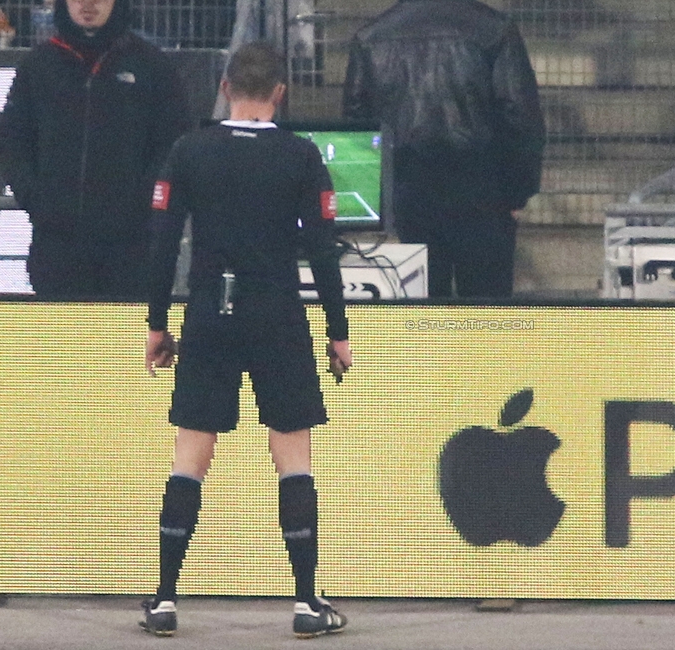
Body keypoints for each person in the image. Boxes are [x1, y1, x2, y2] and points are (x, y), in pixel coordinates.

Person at [139, 42, 352, 638]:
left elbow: (162, 244)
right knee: (294, 459)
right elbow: (324, 253)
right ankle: (307, 604)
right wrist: (337, 331)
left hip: (210, 313)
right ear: (279, 92)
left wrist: (158, 322)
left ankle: (164, 600)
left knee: (191, 458)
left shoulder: (190, 150)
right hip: (279, 316)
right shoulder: (301, 155)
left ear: (227, 86)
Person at [342, 0, 546, 299]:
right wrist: (518, 191)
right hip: (484, 192)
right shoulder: (494, 30)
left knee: (422, 308)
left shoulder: (372, 36)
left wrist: (380, 197)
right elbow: (520, 117)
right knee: (486, 312)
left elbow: (357, 122)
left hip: (409, 191)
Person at [0, 0, 191, 298]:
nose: (88, 4)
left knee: (122, 344)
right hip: (57, 247)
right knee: (61, 342)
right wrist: (36, 200)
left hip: (130, 249)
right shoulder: (39, 65)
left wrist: (141, 204)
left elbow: (174, 144)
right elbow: (12, 139)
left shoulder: (152, 65)